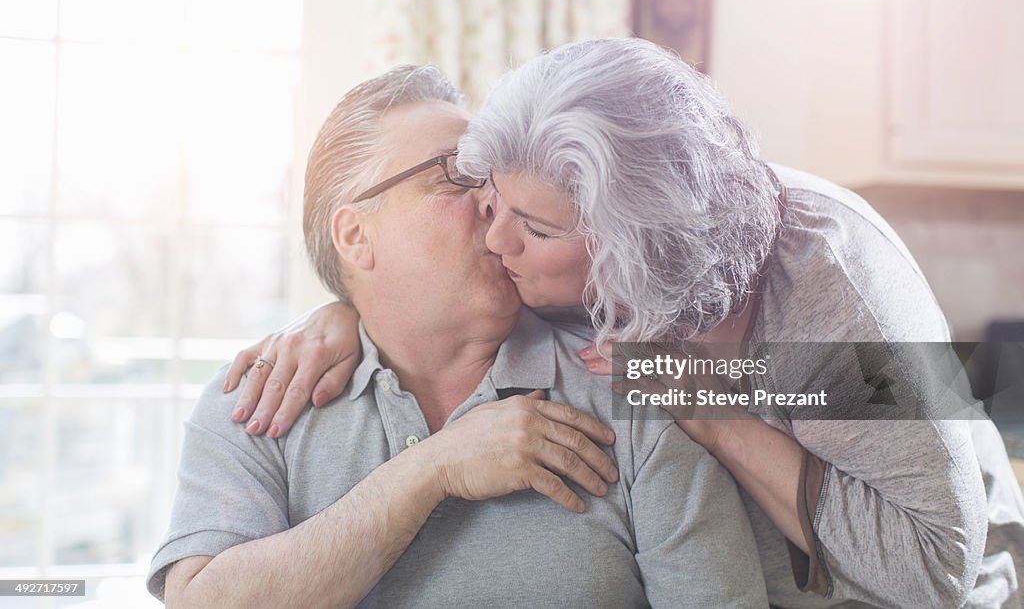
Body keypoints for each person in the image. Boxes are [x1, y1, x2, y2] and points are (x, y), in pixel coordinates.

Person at [228, 39, 1024, 608]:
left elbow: (936, 571)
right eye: (491, 201)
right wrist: (344, 314)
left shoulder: (838, 297)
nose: (495, 238)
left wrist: (714, 411)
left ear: (625, 257)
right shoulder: (565, 256)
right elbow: (420, 289)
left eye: (531, 231)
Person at [147, 64, 769, 607]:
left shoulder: (635, 383)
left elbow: (865, 387)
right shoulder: (257, 403)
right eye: (456, 175)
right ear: (356, 235)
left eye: (490, 178)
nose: (495, 204)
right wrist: (434, 468)